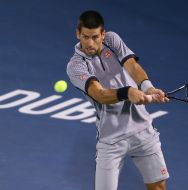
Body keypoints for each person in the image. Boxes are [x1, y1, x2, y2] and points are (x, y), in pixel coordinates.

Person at [67, 10, 169, 190]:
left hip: (143, 131)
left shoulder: (112, 40)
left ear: (103, 34)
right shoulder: (76, 66)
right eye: (85, 37)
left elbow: (132, 66)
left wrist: (148, 87)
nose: (90, 43)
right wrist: (128, 92)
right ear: (77, 33)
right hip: (111, 139)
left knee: (158, 187)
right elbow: (99, 94)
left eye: (95, 37)